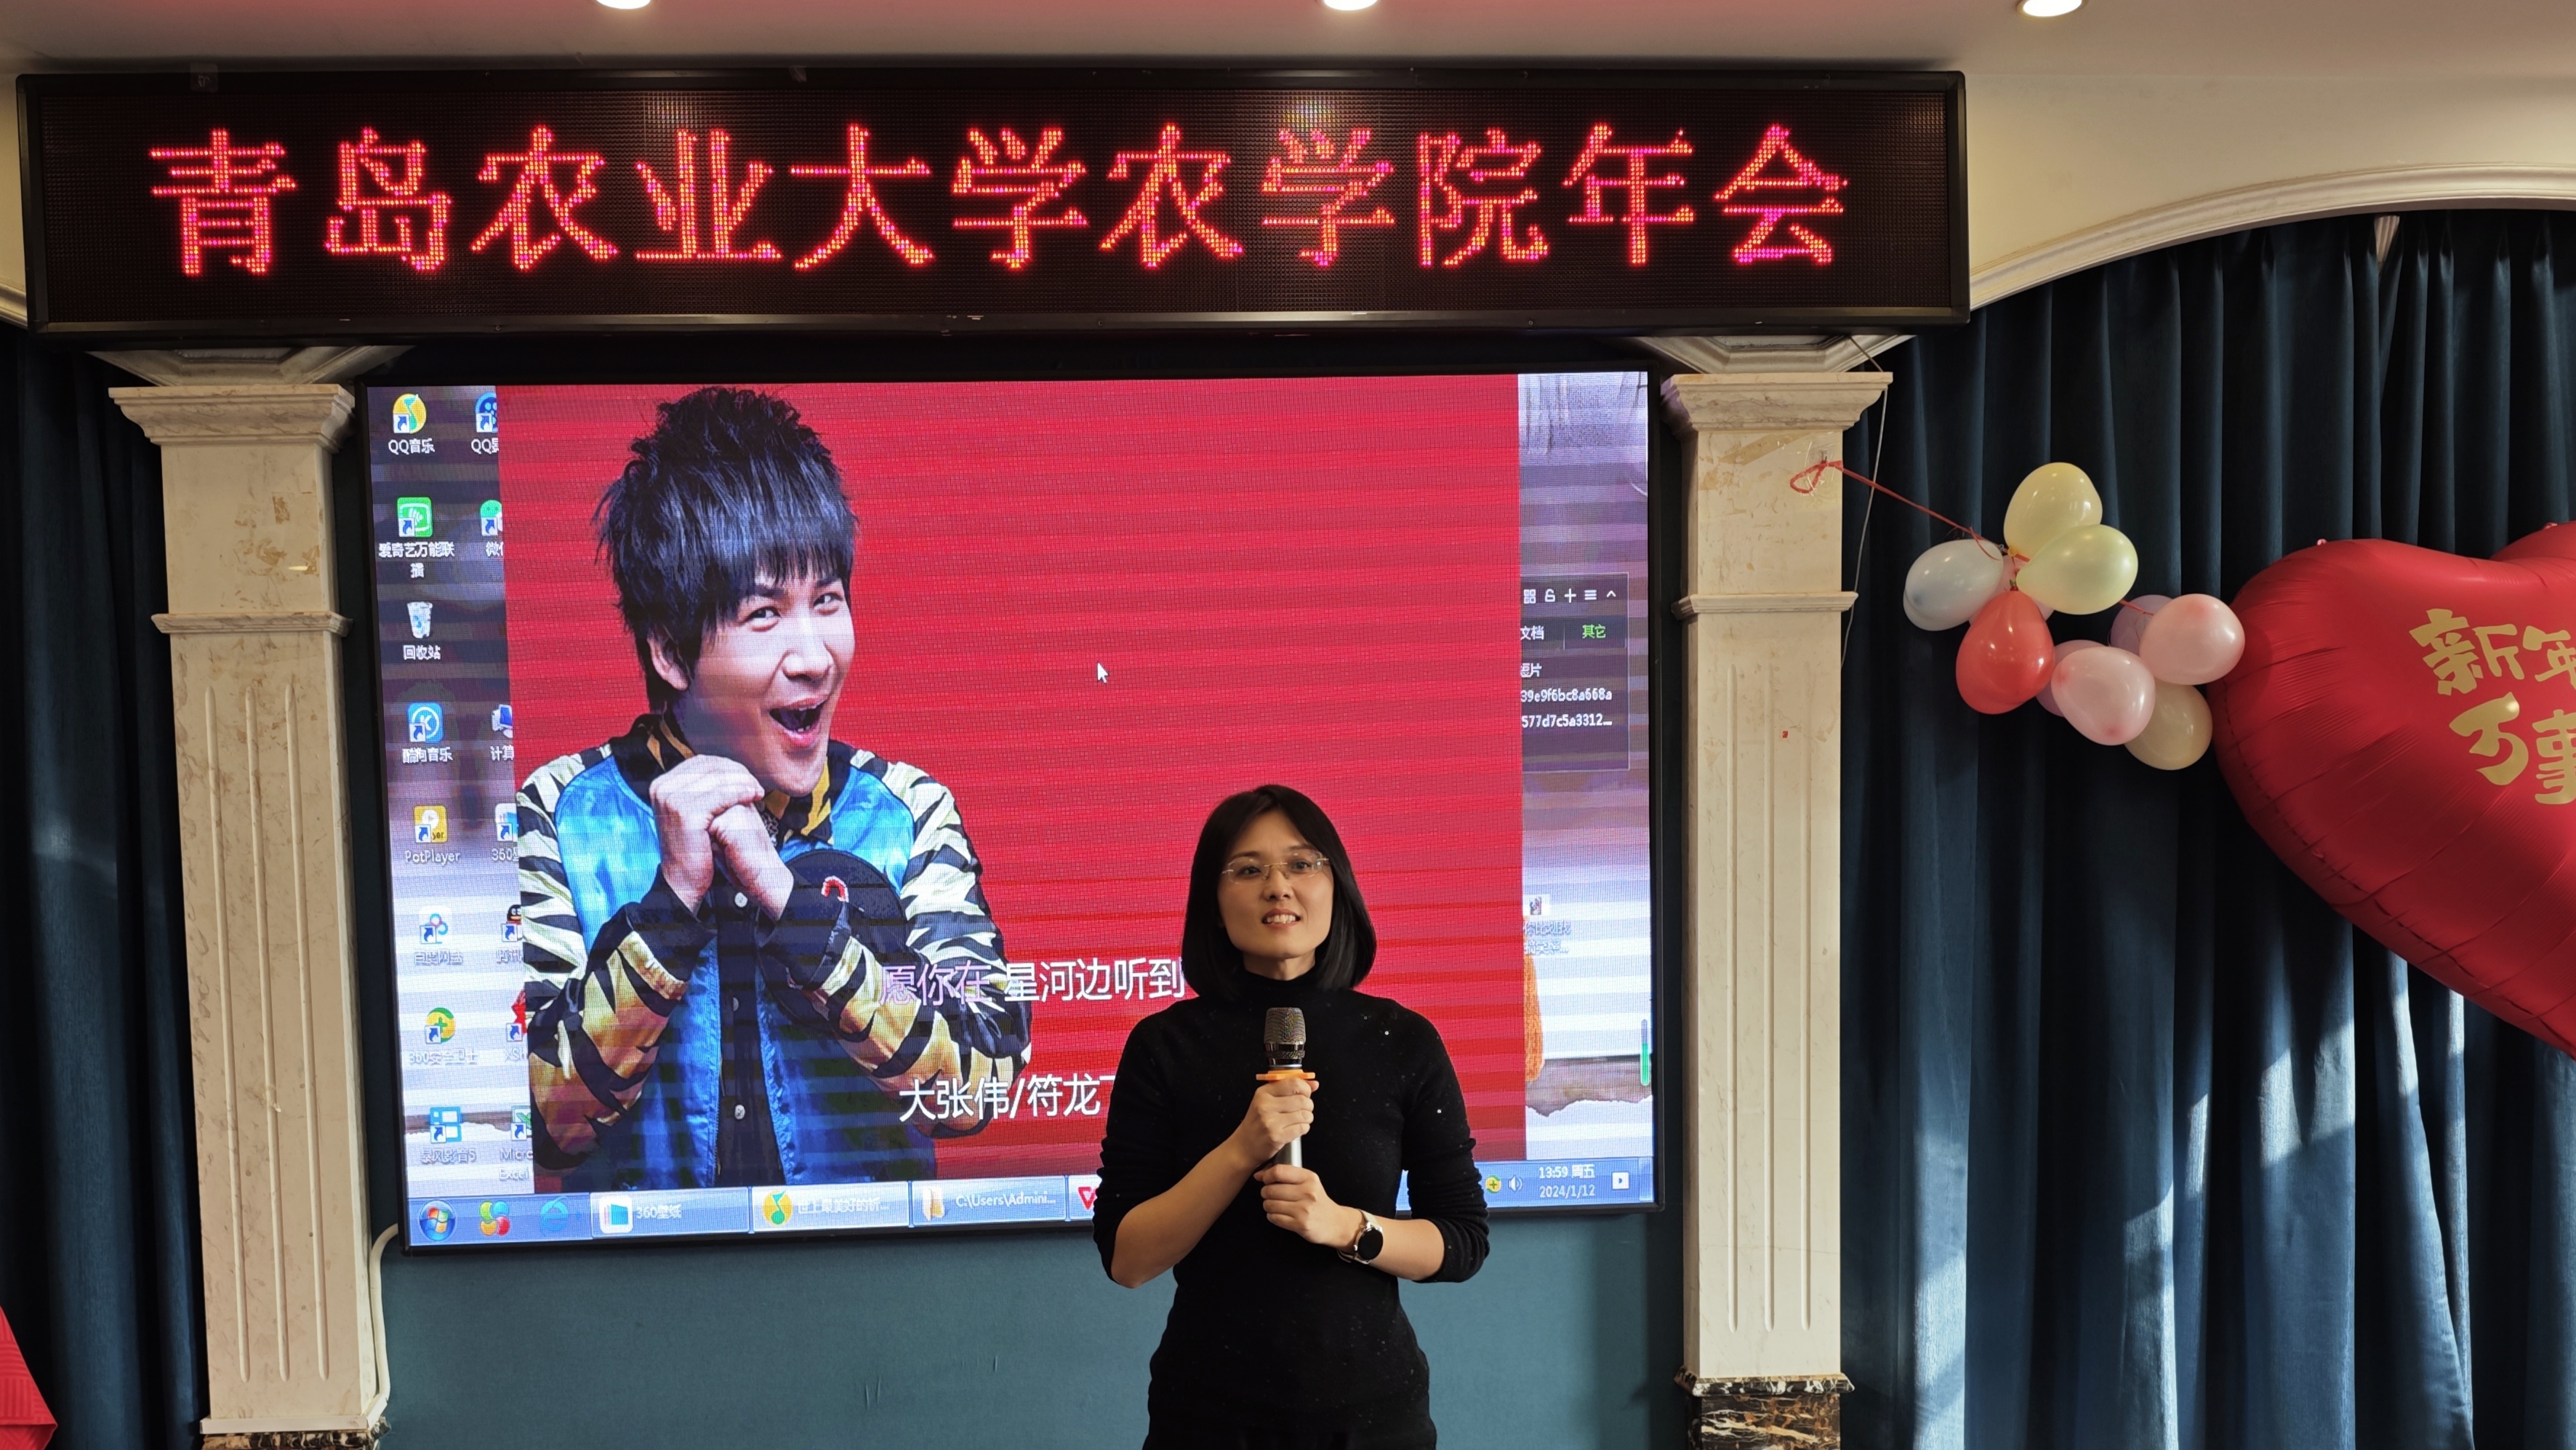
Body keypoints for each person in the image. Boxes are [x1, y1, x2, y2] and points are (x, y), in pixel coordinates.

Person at [516, 385, 1031, 1193]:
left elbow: (980, 1083)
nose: (815, 656)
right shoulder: (559, 812)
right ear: (670, 651)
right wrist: (669, 908)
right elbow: (542, 1122)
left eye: (827, 601)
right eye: (765, 614)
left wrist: (798, 915)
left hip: (859, 1267)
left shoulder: (907, 811)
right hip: (640, 1267)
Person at [1093, 785, 1489, 1449]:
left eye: (1302, 864)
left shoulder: (1401, 1040)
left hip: (1371, 1416)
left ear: (1337, 887)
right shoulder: (1164, 1045)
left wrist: (1343, 1227)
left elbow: (1462, 1242)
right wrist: (1241, 1149)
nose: (1277, 886)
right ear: (1213, 900)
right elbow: (1127, 1259)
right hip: (1208, 1417)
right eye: (1248, 869)